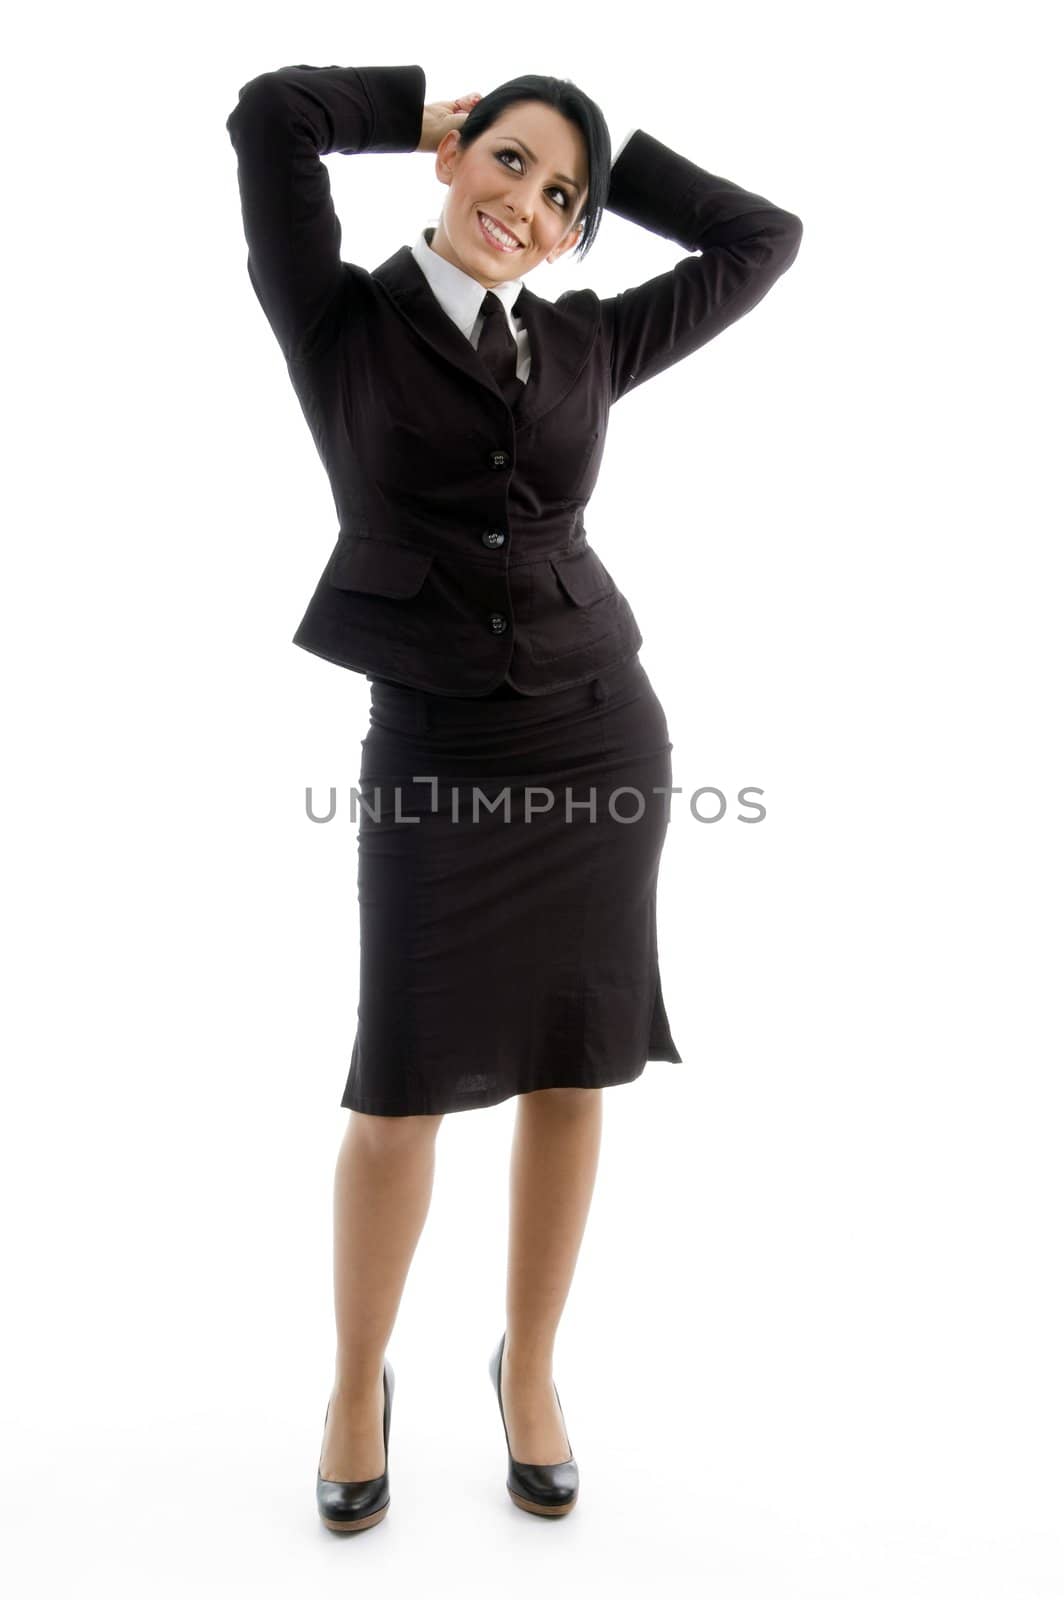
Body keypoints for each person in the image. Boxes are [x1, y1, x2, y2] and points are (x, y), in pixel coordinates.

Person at [225, 61, 802, 1531]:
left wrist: (610, 168)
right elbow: (271, 110)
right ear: (452, 164)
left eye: (562, 200)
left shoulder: (592, 341)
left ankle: (529, 1366)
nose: (527, 207)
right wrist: (428, 114)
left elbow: (762, 238)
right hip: (432, 748)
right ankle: (359, 1379)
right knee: (399, 1083)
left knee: (572, 1062)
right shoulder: (340, 316)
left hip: (602, 736)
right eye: (510, 167)